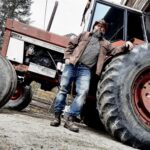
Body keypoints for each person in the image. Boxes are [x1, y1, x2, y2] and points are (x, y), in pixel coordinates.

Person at [50, 19, 133, 132]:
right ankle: (57, 117)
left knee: (83, 92)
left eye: (103, 27)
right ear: (94, 27)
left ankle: (70, 119)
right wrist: (68, 57)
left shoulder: (106, 44)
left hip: (85, 70)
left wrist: (125, 45)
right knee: (63, 89)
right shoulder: (84, 34)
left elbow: (115, 50)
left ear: (104, 31)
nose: (100, 28)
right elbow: (71, 44)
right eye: (98, 26)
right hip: (72, 65)